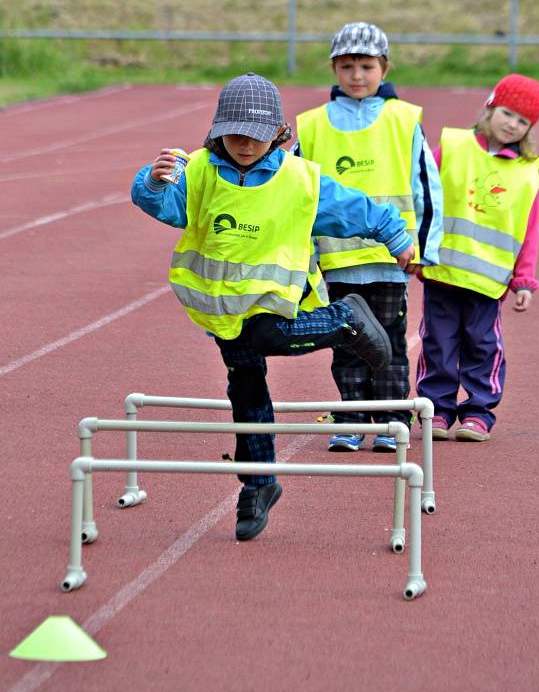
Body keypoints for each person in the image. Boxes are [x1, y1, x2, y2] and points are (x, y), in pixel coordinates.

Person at [131, 72, 414, 542]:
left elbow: (355, 208)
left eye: (257, 136)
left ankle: (344, 319)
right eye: (236, 134)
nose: (245, 144)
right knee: (246, 392)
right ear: (219, 129)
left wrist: (396, 235)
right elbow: (169, 209)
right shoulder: (198, 169)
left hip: (275, 306)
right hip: (223, 313)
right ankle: (258, 484)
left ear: (278, 134)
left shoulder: (299, 180)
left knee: (265, 336)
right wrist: (153, 182)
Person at [294, 22, 443, 453]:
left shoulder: (404, 120)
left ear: (384, 67)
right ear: (334, 68)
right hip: (338, 261)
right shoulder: (313, 125)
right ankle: (350, 420)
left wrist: (424, 250)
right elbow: (296, 192)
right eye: (347, 66)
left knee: (390, 343)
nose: (356, 75)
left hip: (390, 262)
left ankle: (393, 421)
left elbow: (426, 188)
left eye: (366, 66)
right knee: (346, 343)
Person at [416, 73, 539, 442]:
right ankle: (437, 409)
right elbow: (426, 200)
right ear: (490, 107)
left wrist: (524, 280)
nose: (513, 124)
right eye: (508, 113)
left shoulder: (525, 172)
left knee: (482, 344)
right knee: (437, 341)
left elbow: (528, 231)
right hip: (443, 272)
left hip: (489, 282)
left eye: (523, 121)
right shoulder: (453, 146)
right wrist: (418, 249)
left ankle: (478, 411)